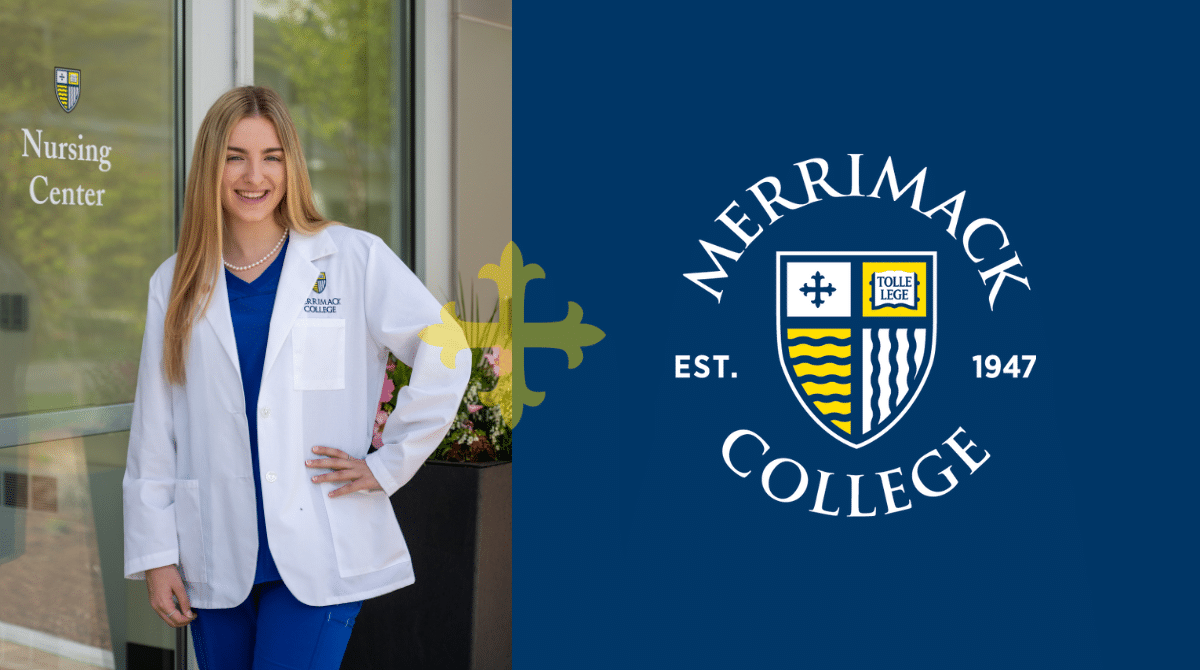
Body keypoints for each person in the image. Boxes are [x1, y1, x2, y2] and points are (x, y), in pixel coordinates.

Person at [122, 86, 470, 669]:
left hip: (319, 547)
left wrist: (389, 462)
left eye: (272, 156)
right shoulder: (176, 280)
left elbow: (447, 346)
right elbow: (155, 429)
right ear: (211, 166)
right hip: (215, 550)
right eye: (235, 156)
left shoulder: (352, 258)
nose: (253, 175)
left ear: (293, 166)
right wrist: (157, 556)